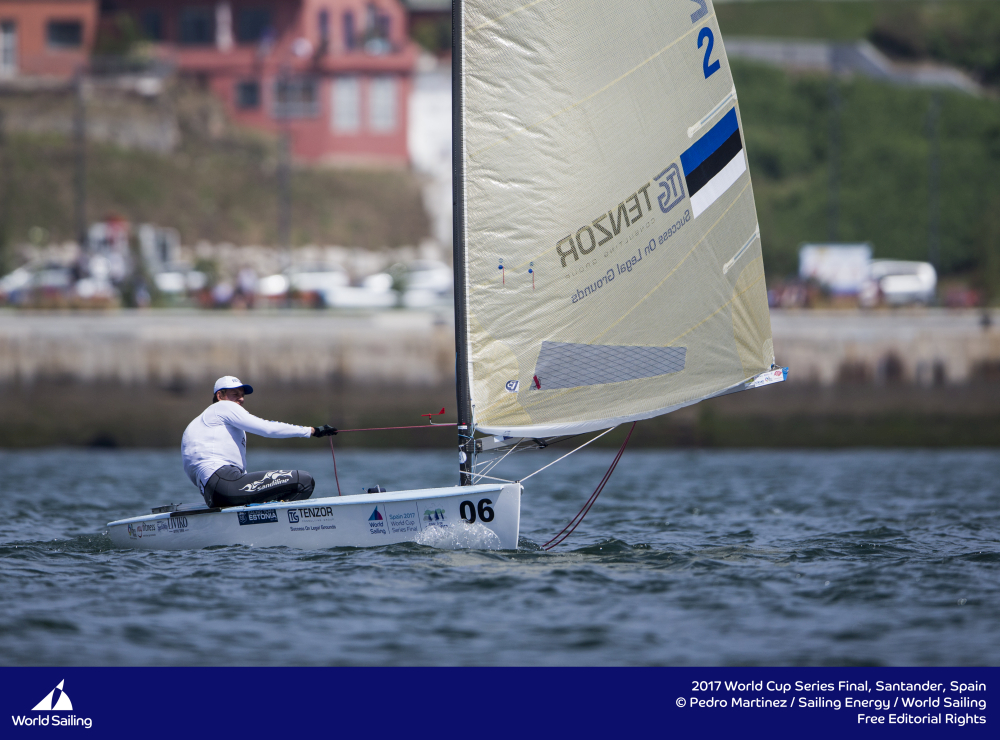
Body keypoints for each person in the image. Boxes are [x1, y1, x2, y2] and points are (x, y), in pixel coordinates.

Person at [182, 375, 337, 507]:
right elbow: (267, 429)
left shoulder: (201, 423)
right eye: (235, 394)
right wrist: (311, 431)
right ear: (220, 396)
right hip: (224, 484)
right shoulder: (222, 407)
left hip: (213, 495)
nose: (241, 399)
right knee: (304, 481)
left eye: (242, 395)